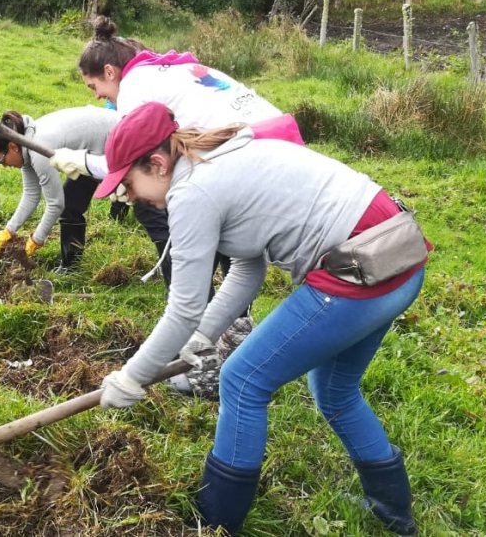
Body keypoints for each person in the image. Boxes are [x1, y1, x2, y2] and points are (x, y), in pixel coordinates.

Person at [93, 102, 431, 535]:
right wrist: (203, 336)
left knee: (242, 380)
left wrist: (131, 377)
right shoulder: (219, 155)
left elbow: (183, 306)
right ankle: (392, 512)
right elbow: (246, 269)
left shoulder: (191, 191)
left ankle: (217, 521)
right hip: (399, 257)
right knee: (334, 390)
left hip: (362, 271)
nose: (132, 197)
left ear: (157, 164)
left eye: (130, 184)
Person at [49, 16, 304, 398]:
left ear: (109, 71)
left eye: (95, 86)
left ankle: (209, 360)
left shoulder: (136, 87)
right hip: (279, 145)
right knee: (243, 255)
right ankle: (223, 344)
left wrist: (85, 164)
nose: (97, 96)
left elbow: (134, 160)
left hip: (251, 154)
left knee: (196, 242)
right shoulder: (167, 68)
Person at [0, 106, 119, 272]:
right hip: (92, 147)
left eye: (1, 160)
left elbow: (55, 204)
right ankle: (71, 265)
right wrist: (8, 231)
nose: (4, 166)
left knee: (69, 205)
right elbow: (31, 195)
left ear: (12, 147)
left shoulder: (38, 149)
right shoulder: (24, 144)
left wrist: (36, 239)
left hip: (113, 137)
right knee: (71, 203)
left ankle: (70, 267)